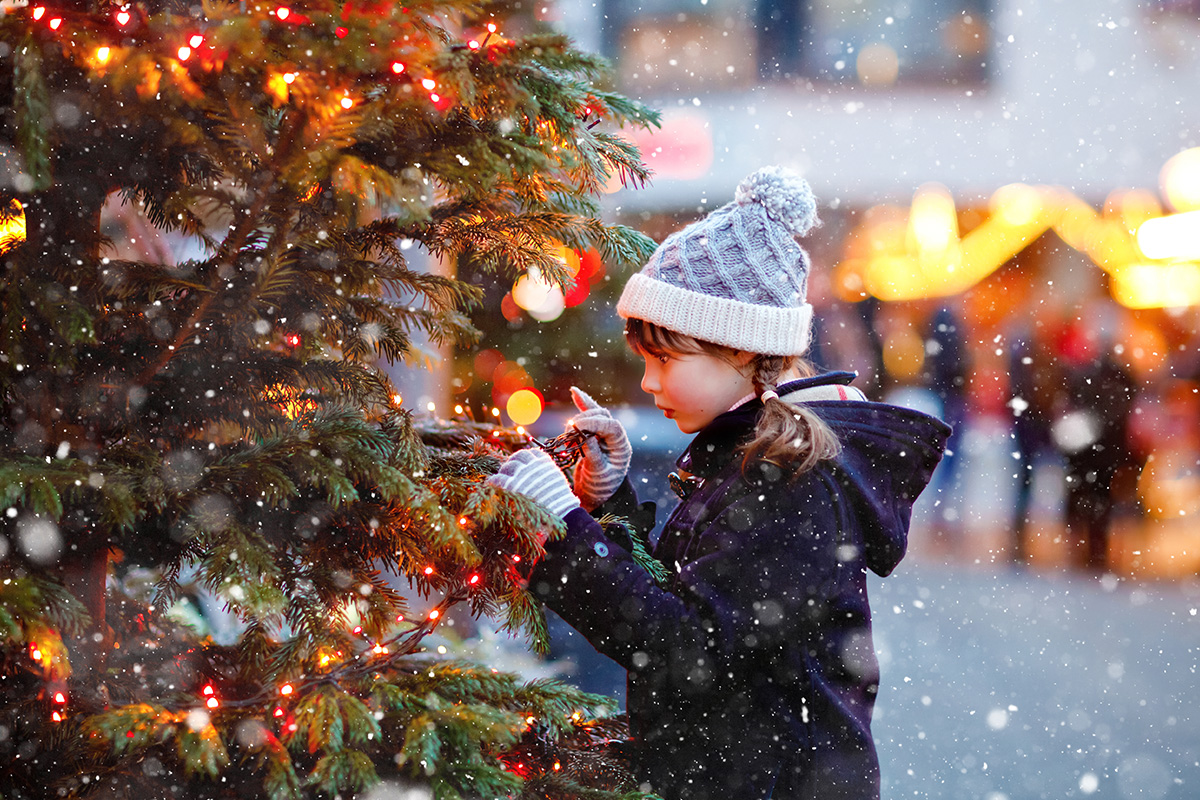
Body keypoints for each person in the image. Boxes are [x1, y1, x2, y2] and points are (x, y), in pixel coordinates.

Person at [487, 167, 950, 799]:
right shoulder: (747, 454)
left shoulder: (792, 482)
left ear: (739, 350)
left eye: (665, 360)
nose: (648, 383)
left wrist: (564, 526)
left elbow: (686, 647)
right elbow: (685, 593)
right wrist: (606, 500)